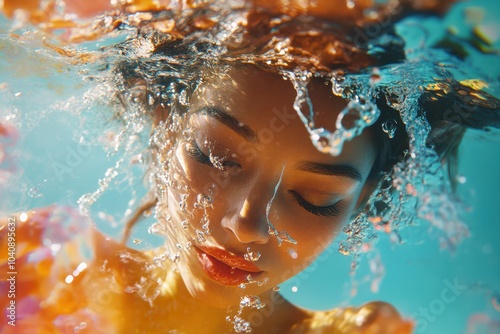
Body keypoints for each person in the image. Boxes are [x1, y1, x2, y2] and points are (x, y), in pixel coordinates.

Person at [1, 0, 499, 333]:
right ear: (165, 130)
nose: (246, 224)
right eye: (216, 156)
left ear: (361, 204)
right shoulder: (26, 264)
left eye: (316, 199)